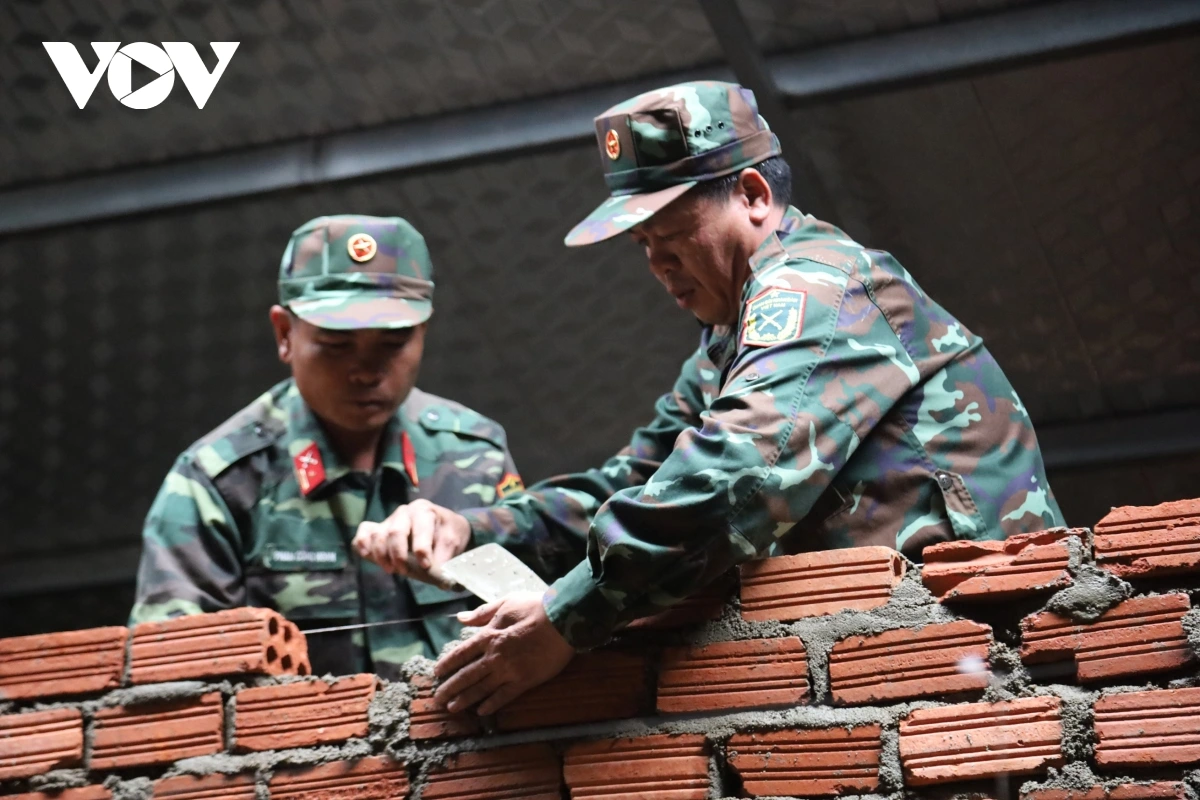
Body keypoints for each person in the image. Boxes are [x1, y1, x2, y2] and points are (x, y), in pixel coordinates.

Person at [355, 81, 1066, 711]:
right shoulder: (727, 340)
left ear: (754, 197)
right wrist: (475, 531)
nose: (659, 263)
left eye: (672, 233)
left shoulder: (818, 288)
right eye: (642, 244)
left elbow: (731, 476)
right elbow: (634, 482)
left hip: (993, 654)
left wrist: (564, 619)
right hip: (896, 670)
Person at [129, 215, 525, 680]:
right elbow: (174, 678)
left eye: (394, 344)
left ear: (424, 332)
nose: (366, 371)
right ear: (284, 335)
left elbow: (536, 620)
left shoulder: (474, 456)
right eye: (337, 346)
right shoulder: (218, 481)